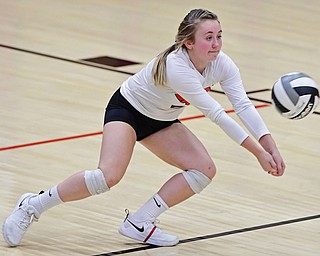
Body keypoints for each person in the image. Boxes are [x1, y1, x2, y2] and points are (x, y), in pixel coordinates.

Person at [2, 8, 285, 247]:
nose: (216, 44)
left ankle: (139, 222)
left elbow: (244, 106)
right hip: (128, 109)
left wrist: (270, 146)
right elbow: (218, 114)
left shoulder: (222, 64)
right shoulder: (177, 67)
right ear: (188, 42)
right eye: (208, 38)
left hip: (161, 120)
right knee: (107, 177)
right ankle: (32, 205)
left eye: (219, 36)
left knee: (203, 170)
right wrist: (258, 154)